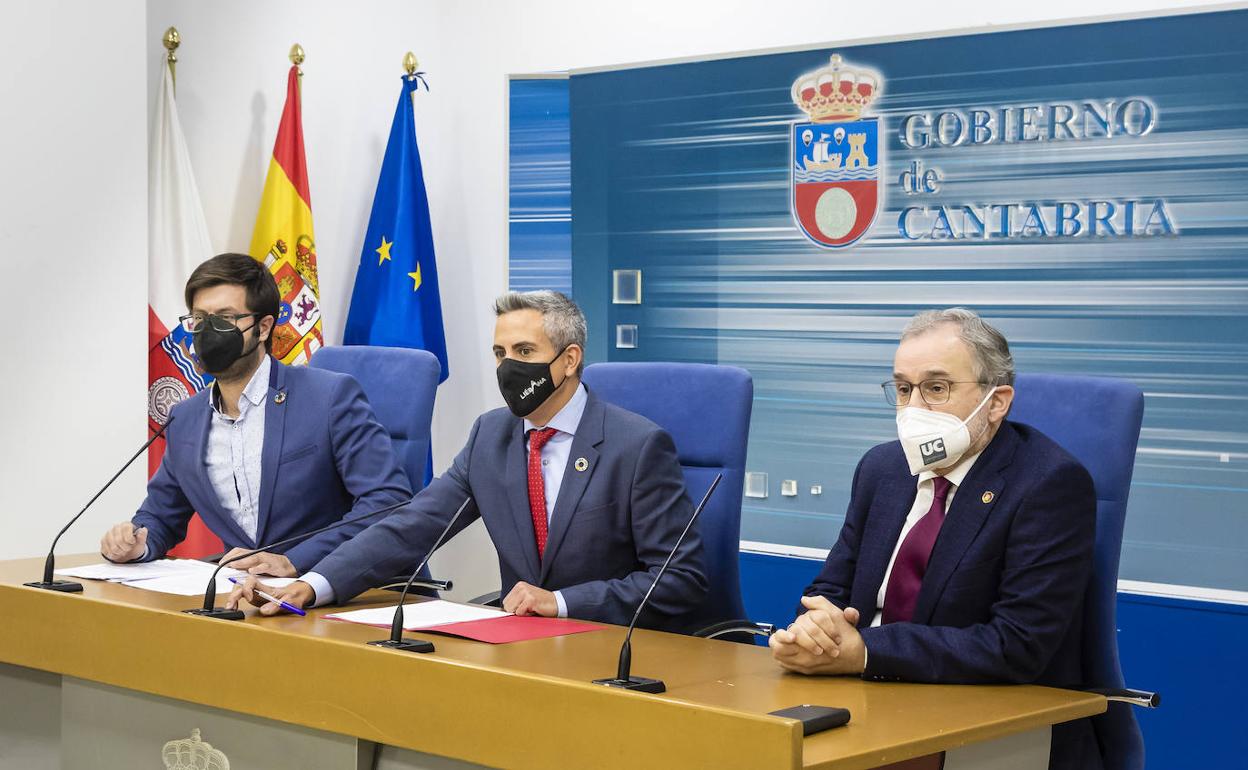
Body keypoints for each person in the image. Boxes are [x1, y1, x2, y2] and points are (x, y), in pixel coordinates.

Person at [229, 290, 708, 631]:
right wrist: (313, 586)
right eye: (499, 352)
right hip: (521, 648)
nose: (507, 366)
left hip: (617, 647)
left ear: (569, 359)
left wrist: (561, 602)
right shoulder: (491, 435)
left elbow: (680, 579)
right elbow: (411, 527)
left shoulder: (637, 446)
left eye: (524, 351)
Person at [770, 308, 1100, 770]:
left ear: (998, 401)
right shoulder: (882, 469)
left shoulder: (1048, 483)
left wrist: (865, 652)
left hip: (980, 723)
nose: (914, 409)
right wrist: (811, 633)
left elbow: (1017, 644)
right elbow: (830, 590)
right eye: (904, 389)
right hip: (857, 702)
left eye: (937, 388)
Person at [99, 253, 411, 576]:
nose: (209, 332)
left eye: (224, 319)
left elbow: (388, 502)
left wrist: (296, 561)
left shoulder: (329, 398)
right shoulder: (185, 421)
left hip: (336, 591)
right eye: (200, 320)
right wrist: (137, 543)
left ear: (263, 328)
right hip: (246, 600)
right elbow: (160, 517)